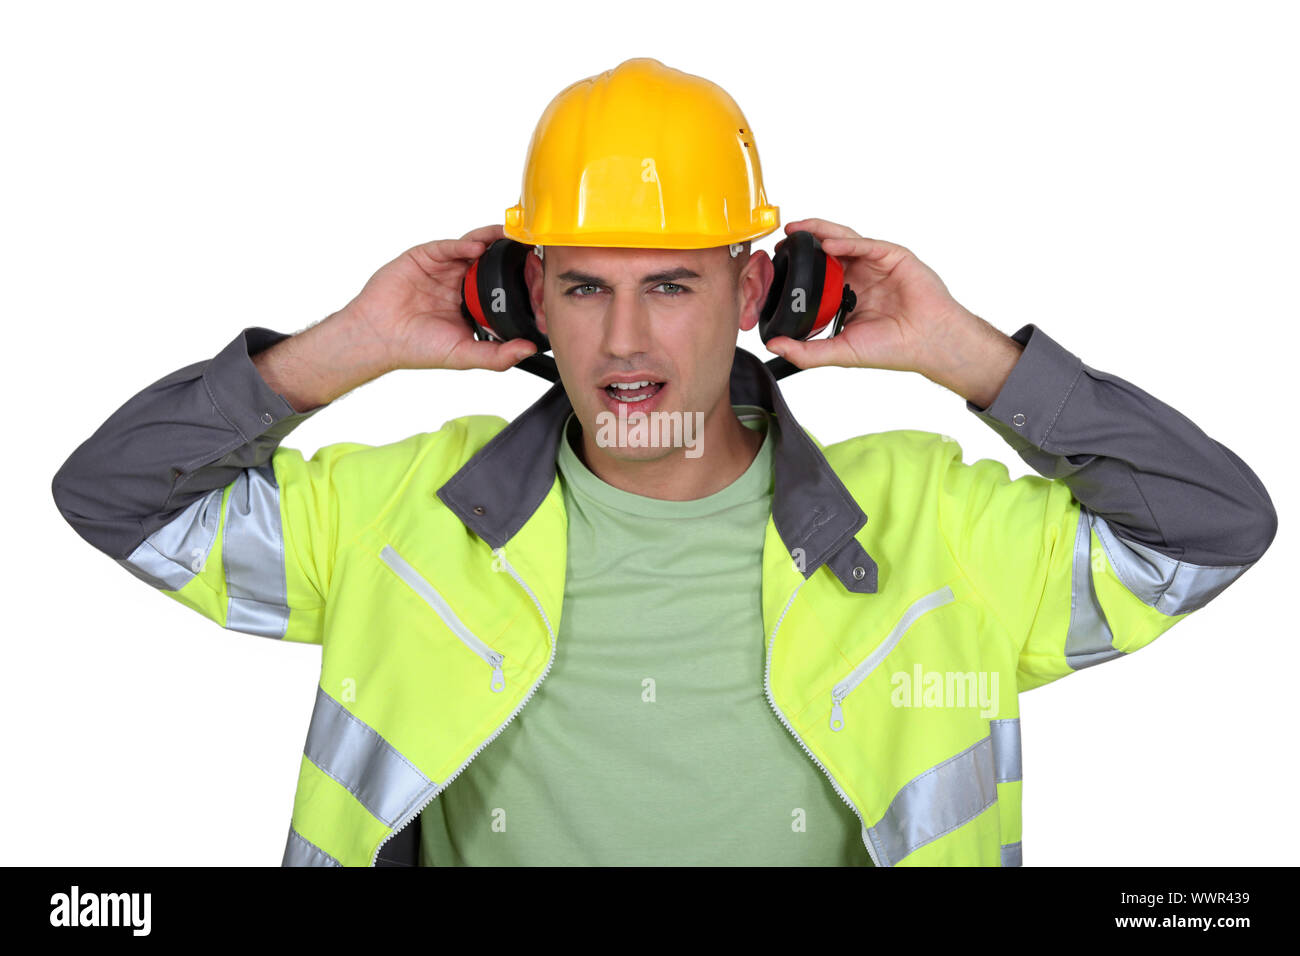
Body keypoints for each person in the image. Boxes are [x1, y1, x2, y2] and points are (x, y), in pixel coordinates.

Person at [51, 58, 1277, 867]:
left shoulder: (926, 521)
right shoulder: (404, 509)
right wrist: (349, 345)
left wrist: (971, 354)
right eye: (585, 287)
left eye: (673, 285)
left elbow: (1209, 527)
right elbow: (115, 495)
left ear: (756, 291)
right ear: (525, 293)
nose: (625, 341)